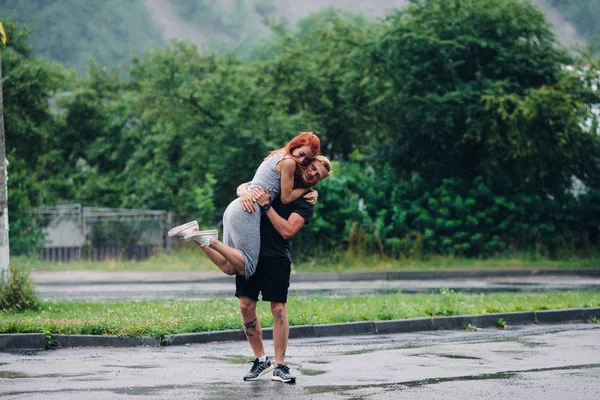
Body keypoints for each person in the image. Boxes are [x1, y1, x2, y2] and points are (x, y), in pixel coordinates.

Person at [168, 132, 321, 279]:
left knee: (229, 267)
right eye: (301, 154)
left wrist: (242, 189)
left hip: (235, 207)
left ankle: (196, 234)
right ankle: (212, 241)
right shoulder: (289, 162)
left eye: (306, 159)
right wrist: (308, 188)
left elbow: (254, 183)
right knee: (248, 267)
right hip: (248, 210)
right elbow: (286, 198)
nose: (301, 160)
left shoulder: (276, 156)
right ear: (295, 145)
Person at [237, 156, 332, 383]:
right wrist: (244, 193)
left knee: (278, 310)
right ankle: (261, 360)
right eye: (312, 168)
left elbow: (287, 231)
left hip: (277, 255)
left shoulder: (307, 199)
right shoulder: (279, 176)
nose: (312, 174)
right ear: (306, 163)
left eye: (318, 175)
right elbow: (244, 186)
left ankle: (280, 365)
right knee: (245, 306)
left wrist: (267, 206)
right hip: (250, 250)